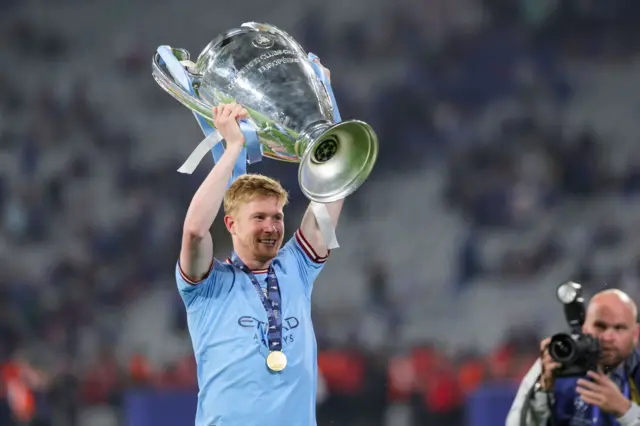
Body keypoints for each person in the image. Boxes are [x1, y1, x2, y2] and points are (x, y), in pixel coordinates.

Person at [175, 65, 344, 425]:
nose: (272, 227)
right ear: (231, 224)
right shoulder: (206, 286)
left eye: (277, 217)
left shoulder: (299, 267)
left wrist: (326, 116)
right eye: (259, 218)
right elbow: (193, 231)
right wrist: (233, 147)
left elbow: (331, 194)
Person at [506, 289, 640, 426]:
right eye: (600, 326)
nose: (608, 337)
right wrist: (543, 392)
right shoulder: (557, 360)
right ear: (584, 327)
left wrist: (626, 411)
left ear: (635, 334)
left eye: (619, 328)